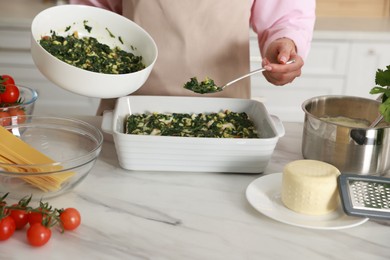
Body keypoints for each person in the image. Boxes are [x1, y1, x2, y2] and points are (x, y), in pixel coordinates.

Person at [70, 0, 316, 113]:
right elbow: (96, 12)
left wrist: (285, 44)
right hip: (131, 107)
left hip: (225, 111)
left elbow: (285, 17)